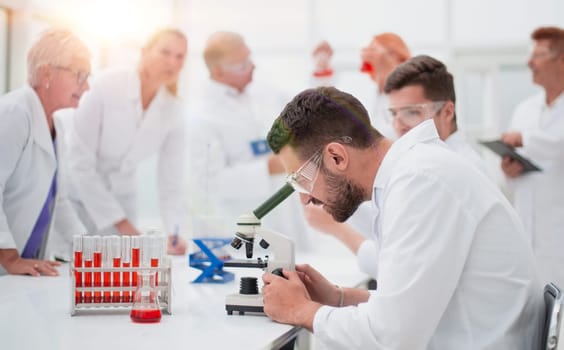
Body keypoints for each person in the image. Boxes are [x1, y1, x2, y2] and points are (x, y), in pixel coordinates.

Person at [261, 84, 542, 349]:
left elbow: (393, 338)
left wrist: (301, 310)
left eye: (300, 180)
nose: (304, 198)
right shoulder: (412, 173)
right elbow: (412, 305)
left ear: (336, 157)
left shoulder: (421, 182)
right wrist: (338, 298)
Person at [305, 55, 490, 279]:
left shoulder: (452, 170)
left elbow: (405, 269)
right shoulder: (414, 165)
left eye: (412, 112)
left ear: (448, 112)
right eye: (394, 113)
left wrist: (337, 229)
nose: (399, 125)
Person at [67, 29, 188, 255]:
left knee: (123, 279)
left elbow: (170, 182)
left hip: (124, 203)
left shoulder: (173, 109)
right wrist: (124, 227)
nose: (172, 62)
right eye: (165, 52)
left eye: (180, 56)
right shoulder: (106, 84)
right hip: (79, 203)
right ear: (144, 52)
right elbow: (79, 162)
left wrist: (173, 231)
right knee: (73, 276)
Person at [187, 31, 309, 248]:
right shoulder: (201, 117)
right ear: (218, 71)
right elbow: (210, 183)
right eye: (241, 65)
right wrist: (269, 167)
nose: (251, 67)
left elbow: (307, 104)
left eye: (249, 59)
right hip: (241, 223)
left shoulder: (262, 92)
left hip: (284, 216)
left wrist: (320, 71)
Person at [0, 28, 90, 275]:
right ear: (47, 72)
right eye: (80, 75)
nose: (87, 86)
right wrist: (9, 257)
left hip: (26, 269)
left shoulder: (56, 125)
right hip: (7, 268)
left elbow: (58, 203)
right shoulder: (13, 113)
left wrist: (90, 251)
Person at [500, 26, 564, 287]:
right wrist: (509, 170)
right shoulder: (524, 110)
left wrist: (524, 139)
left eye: (537, 54)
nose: (529, 62)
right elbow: (514, 180)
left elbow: (558, 145)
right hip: (527, 234)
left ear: (561, 60)